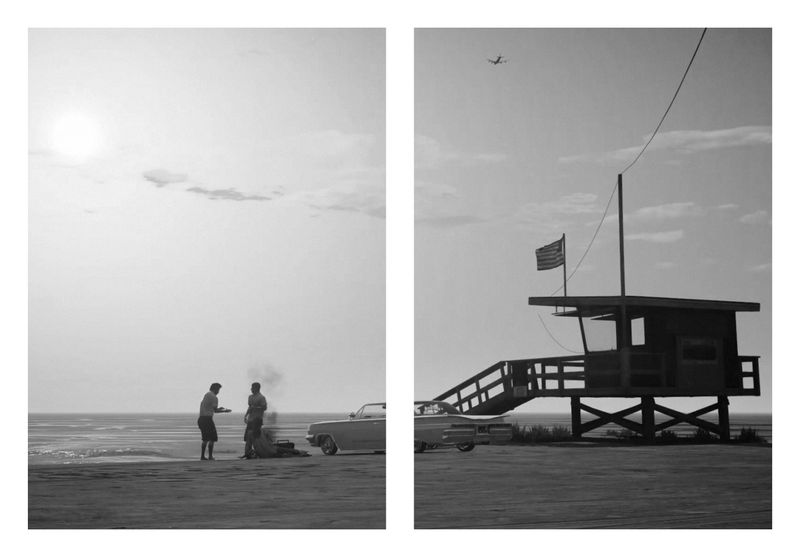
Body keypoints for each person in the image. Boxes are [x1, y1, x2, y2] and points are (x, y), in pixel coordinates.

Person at [197, 382, 231, 460]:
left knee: (205, 438)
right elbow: (215, 410)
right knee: (212, 438)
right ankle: (210, 456)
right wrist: (225, 411)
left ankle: (202, 456)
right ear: (215, 389)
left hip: (201, 419)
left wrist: (220, 409)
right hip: (207, 419)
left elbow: (209, 407)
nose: (218, 392)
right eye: (218, 390)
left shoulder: (207, 395)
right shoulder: (214, 397)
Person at [242, 382, 268, 458]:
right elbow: (250, 407)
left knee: (255, 437)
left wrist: (256, 408)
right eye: (251, 388)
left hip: (257, 420)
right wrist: (246, 415)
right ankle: (247, 453)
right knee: (247, 437)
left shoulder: (261, 397)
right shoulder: (250, 397)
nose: (251, 389)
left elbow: (264, 408)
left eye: (252, 388)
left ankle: (259, 452)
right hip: (250, 420)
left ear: (257, 388)